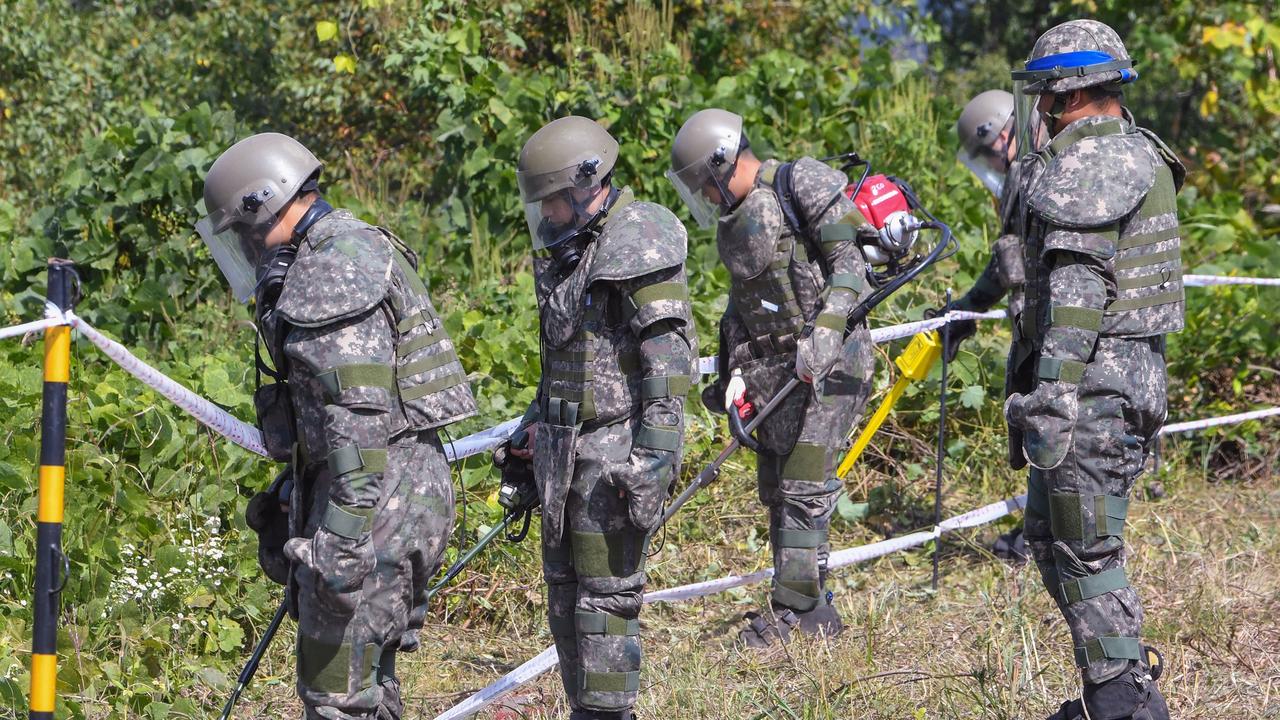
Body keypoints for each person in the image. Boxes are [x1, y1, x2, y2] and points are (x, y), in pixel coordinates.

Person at [197, 133, 477, 719]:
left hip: (375, 497)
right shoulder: (348, 244)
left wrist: (342, 537)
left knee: (336, 697)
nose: (245, 248)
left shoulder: (329, 269)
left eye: (243, 230)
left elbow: (358, 421)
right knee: (366, 685)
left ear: (263, 206)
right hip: (393, 487)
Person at [1006, 19, 1184, 720]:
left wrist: (1051, 395)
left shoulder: (1092, 163)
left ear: (1070, 93)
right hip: (1118, 384)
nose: (1040, 109)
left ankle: (1122, 703)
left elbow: (1079, 292)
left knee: (1086, 551)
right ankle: (1117, 690)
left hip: (1094, 390)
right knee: (1057, 542)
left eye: (1046, 94)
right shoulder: (1139, 151)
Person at [508, 116, 695, 719]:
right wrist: (533, 427)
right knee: (564, 598)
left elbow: (668, 367)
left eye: (554, 203)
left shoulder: (635, 240)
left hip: (613, 453)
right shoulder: (574, 253)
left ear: (585, 186)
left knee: (606, 604)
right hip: (564, 451)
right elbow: (566, 356)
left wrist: (652, 462)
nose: (548, 216)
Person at [667, 108, 877, 646]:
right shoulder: (735, 220)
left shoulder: (800, 181)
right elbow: (742, 308)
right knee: (778, 490)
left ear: (722, 160)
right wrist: (728, 375)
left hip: (835, 360)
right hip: (775, 370)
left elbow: (851, 265)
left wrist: (827, 332)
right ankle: (811, 601)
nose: (705, 197)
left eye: (702, 184)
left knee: (806, 482)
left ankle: (797, 614)